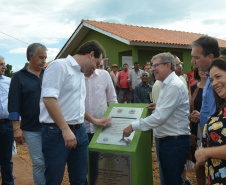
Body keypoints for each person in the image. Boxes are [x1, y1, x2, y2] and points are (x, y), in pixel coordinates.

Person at [39, 40, 110, 185]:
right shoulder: (59, 66)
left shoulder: (79, 73)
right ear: (91, 54)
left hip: (79, 132)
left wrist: (94, 120)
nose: (95, 68)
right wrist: (65, 130)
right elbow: (49, 100)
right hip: (57, 133)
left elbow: (76, 106)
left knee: (80, 179)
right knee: (54, 179)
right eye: (97, 63)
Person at [123, 52, 191, 185]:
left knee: (173, 181)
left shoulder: (173, 86)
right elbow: (168, 110)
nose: (152, 69)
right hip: (169, 141)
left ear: (168, 65)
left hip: (174, 143)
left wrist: (133, 126)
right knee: (169, 179)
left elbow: (159, 118)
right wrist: (159, 105)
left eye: (156, 65)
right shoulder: (166, 84)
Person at [8, 43, 47, 185]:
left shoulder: (47, 74)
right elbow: (13, 104)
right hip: (31, 129)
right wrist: (16, 128)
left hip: (51, 127)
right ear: (31, 56)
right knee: (39, 163)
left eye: (45, 58)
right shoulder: (18, 77)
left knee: (51, 161)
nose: (44, 61)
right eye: (41, 57)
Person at [195, 57, 226, 185]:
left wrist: (206, 152)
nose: (214, 83)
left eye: (218, 77)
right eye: (212, 80)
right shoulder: (221, 108)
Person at [190, 36, 220, 129]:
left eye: (196, 57)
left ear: (210, 57)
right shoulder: (209, 77)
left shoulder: (218, 80)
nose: (192, 61)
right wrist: (202, 115)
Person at [84, 68, 118, 141]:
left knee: (98, 151)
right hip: (82, 128)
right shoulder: (76, 76)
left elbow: (112, 99)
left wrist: (116, 121)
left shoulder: (104, 75)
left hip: (101, 127)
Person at [189, 67, 207, 185]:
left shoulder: (216, 88)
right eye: (200, 68)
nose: (202, 70)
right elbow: (189, 110)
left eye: (205, 68)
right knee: (199, 165)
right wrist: (190, 132)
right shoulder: (193, 88)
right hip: (196, 129)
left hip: (211, 129)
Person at [0, 56, 14, 185]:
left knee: (6, 159)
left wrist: (16, 126)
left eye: (4, 63)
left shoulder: (8, 82)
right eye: (1, 64)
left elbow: (15, 103)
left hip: (7, 125)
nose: (4, 66)